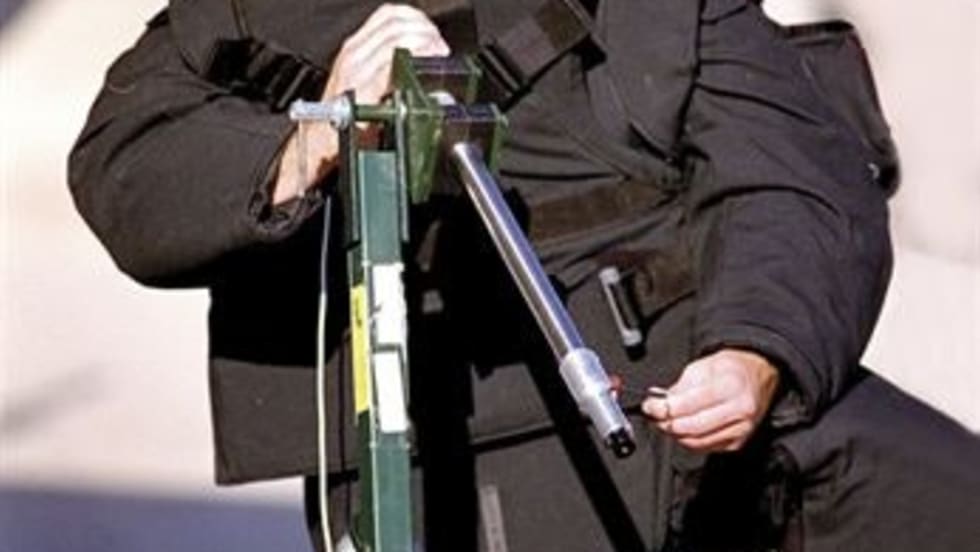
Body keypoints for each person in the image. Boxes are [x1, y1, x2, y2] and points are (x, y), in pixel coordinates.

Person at [69, 0, 980, 550]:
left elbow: (790, 170)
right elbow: (121, 164)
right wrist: (311, 140)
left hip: (698, 397)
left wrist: (758, 352)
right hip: (450, 447)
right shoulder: (246, 14)